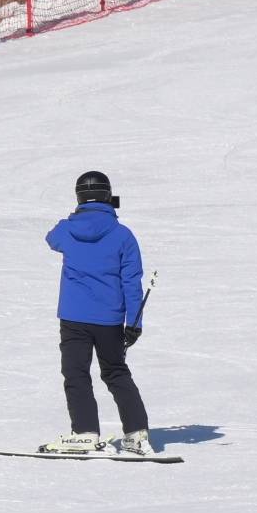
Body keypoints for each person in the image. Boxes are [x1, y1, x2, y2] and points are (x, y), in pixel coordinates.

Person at [46, 171, 152, 455]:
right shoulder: (123, 235)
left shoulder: (67, 230)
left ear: (79, 197)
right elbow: (132, 280)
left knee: (76, 374)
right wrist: (135, 322)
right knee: (116, 373)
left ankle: (85, 433)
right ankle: (136, 434)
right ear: (109, 196)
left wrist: (76, 214)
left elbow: (50, 237)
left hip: (73, 317)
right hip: (110, 319)